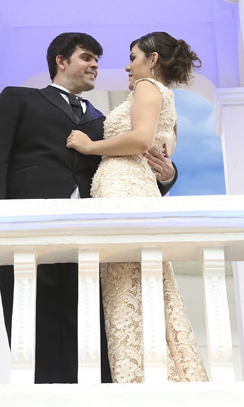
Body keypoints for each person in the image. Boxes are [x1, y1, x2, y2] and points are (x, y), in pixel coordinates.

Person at [0, 32, 177, 384]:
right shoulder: (18, 98)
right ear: (61, 60)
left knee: (91, 332)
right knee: (32, 329)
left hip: (91, 236)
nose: (95, 65)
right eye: (87, 57)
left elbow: (129, 161)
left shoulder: (102, 121)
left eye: (97, 60)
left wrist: (168, 177)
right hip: (28, 228)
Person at [65, 31, 208, 383]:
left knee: (126, 284)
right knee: (141, 283)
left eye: (133, 57)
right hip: (136, 187)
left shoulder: (147, 87)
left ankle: (138, 375)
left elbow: (142, 140)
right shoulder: (168, 105)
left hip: (123, 188)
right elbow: (159, 156)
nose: (128, 67)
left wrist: (89, 146)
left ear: (152, 59)